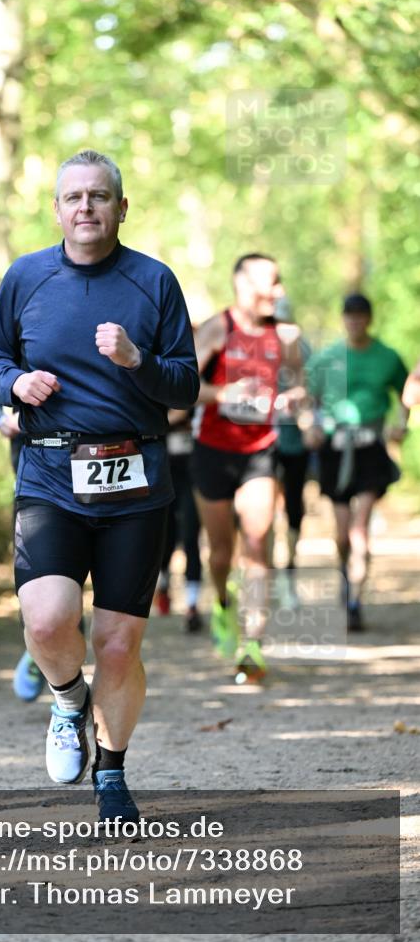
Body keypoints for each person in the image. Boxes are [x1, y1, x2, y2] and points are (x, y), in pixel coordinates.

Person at [0, 149, 198, 823]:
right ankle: (67, 698)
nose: (86, 207)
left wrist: (138, 361)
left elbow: (185, 385)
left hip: (136, 481)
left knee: (118, 643)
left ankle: (111, 773)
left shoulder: (153, 281)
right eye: (73, 197)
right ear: (56, 209)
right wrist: (15, 382)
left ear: (120, 207)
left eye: (99, 196)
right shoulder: (26, 277)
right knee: (47, 620)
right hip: (49, 474)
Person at [191, 253, 304, 683]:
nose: (280, 291)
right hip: (213, 451)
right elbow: (184, 388)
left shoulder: (286, 335)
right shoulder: (218, 328)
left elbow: (299, 384)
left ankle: (253, 643)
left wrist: (293, 400)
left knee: (257, 544)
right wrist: (224, 394)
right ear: (244, 285)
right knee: (221, 553)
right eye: (272, 283)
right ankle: (223, 603)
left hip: (261, 451)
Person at [304, 293, 409, 631]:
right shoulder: (327, 358)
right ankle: (345, 573)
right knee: (342, 532)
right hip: (335, 449)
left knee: (359, 527)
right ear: (343, 319)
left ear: (369, 319)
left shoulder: (387, 357)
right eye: (349, 315)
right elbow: (307, 398)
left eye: (360, 315)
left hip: (370, 448)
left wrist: (401, 423)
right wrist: (311, 427)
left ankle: (354, 601)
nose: (355, 321)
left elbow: (407, 392)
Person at [0, 390, 44, 701]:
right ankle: (37, 648)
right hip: (32, 488)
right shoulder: (24, 362)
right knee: (35, 576)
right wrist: (2, 421)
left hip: (94, 484)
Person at [272, 295, 311, 609]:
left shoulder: (305, 350)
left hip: (295, 444)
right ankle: (265, 578)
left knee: (294, 511)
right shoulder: (255, 349)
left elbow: (316, 391)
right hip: (263, 445)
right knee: (260, 512)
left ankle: (289, 576)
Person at [154, 406, 203, 633]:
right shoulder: (158, 393)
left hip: (194, 474)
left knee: (191, 536)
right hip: (164, 472)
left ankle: (192, 604)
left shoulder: (199, 392)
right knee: (166, 536)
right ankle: (163, 586)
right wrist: (172, 418)